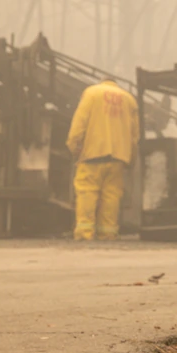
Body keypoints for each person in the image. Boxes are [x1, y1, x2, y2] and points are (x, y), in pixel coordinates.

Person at [65, 78, 139, 241]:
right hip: (118, 158)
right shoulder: (129, 100)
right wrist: (131, 159)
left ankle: (85, 234)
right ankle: (108, 234)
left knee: (87, 192)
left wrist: (73, 146)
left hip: (93, 154)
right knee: (111, 196)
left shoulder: (92, 93)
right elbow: (134, 136)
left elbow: (79, 123)